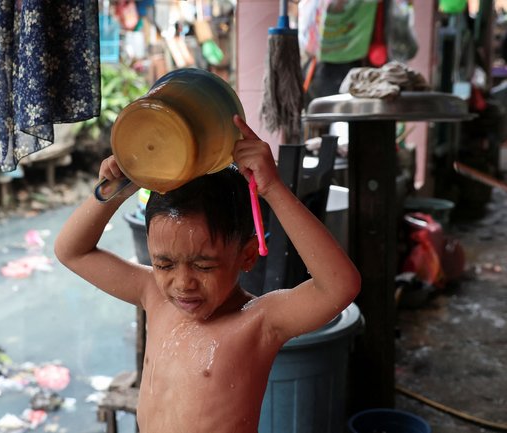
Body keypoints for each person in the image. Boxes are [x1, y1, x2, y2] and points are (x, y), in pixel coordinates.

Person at [54, 115, 361, 433]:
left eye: (203, 266)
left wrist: (273, 189)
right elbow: (71, 251)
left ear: (247, 255)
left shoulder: (258, 323)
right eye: (164, 264)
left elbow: (340, 286)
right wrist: (113, 192)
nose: (182, 283)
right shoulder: (155, 295)